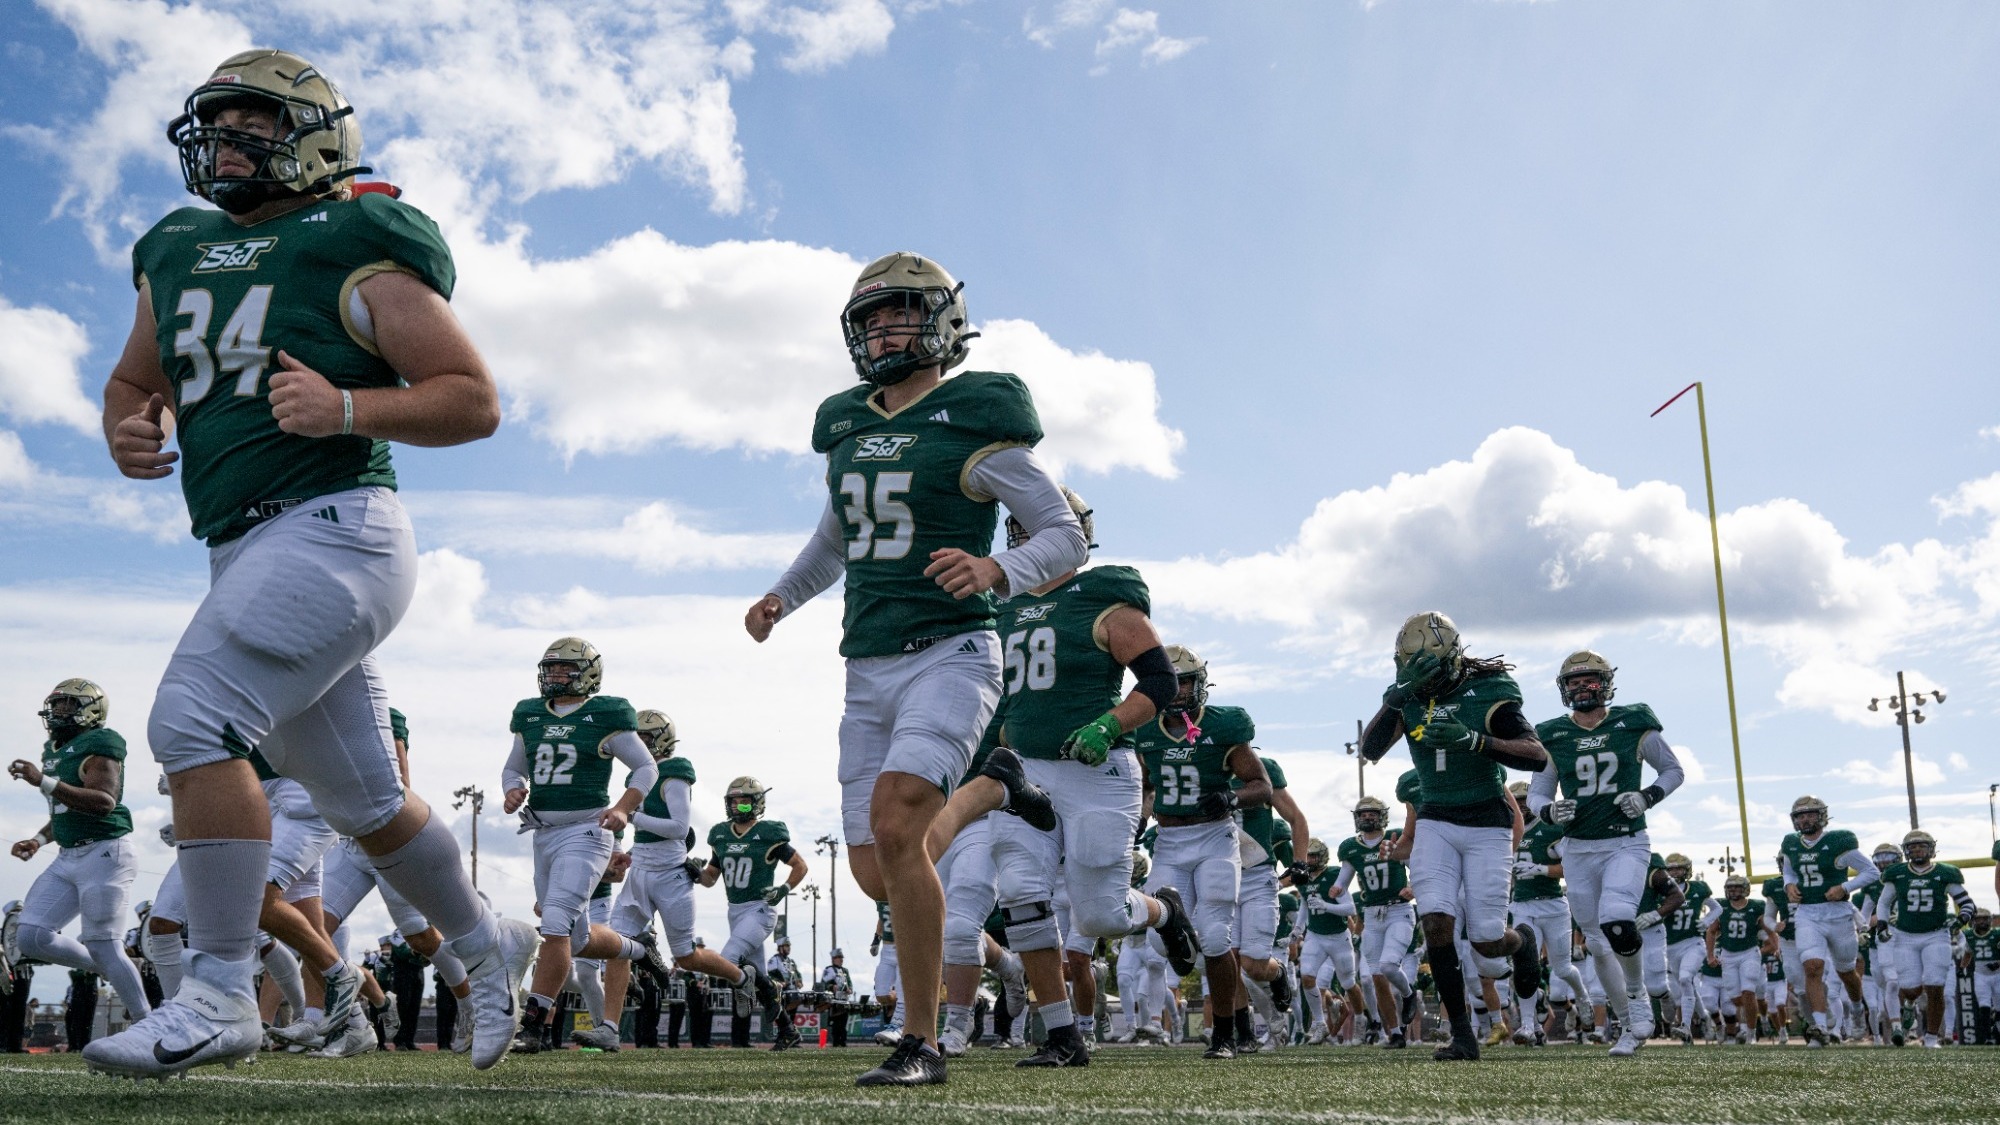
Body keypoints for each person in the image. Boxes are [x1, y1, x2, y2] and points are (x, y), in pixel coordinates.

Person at [83, 48, 516, 1079]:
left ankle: (221, 992)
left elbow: (471, 396)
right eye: (215, 126)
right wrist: (126, 427)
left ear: (315, 135)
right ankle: (484, 955)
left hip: (338, 526)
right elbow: (130, 382)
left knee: (191, 718)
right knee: (369, 803)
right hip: (244, 546)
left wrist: (350, 406)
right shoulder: (178, 244)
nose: (226, 145)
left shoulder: (354, 237)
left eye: (252, 125)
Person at [746, 252, 1087, 1085]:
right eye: (867, 319)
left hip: (954, 649)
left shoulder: (975, 417)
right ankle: (990, 786)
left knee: (899, 824)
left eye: (895, 313)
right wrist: (784, 596)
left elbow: (1063, 534)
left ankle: (922, 1041)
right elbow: (836, 542)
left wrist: (996, 570)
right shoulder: (848, 426)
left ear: (939, 320)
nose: (879, 331)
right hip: (866, 663)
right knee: (877, 869)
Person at [935, 489, 1199, 1067]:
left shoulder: (1103, 595)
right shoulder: (1001, 605)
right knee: (1023, 897)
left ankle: (1163, 910)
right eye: (1023, 527)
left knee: (1098, 914)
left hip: (1097, 772)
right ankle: (1062, 1034)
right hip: (1027, 773)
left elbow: (1158, 682)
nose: (1031, 538)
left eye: (1042, 526)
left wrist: (1109, 723)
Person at [1359, 612, 1547, 1062]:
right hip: (1437, 819)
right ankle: (1462, 1035)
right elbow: (1369, 751)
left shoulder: (1489, 691)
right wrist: (1397, 696)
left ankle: (1521, 941)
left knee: (1486, 940)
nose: (1423, 681)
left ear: (1453, 659)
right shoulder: (1408, 697)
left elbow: (1536, 756)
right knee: (1437, 923)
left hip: (1486, 821)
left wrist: (1474, 741)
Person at [501, 638, 662, 1054]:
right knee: (575, 937)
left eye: (563, 669)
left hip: (587, 831)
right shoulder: (530, 714)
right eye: (550, 669)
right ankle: (637, 949)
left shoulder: (605, 713)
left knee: (553, 924)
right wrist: (513, 789)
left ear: (587, 672)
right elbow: (513, 768)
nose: (553, 676)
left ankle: (534, 1024)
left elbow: (645, 766)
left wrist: (625, 808)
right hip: (543, 834)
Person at [1528, 650, 1684, 1057]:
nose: (1582, 688)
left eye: (1589, 680)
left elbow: (1673, 770)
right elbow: (1538, 793)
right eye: (1574, 683)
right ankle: (1629, 1026)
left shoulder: (1632, 722)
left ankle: (1637, 996)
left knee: (1617, 919)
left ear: (1606, 683)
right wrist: (1548, 810)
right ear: (1564, 690)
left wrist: (1648, 795)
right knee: (1597, 944)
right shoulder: (1553, 734)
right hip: (1578, 847)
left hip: (1625, 841)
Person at [1132, 646, 1270, 1060]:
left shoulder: (1224, 726)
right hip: (1170, 842)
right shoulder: (1143, 729)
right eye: (1170, 682)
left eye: (1185, 681)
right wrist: (1135, 824)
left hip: (1214, 839)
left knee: (1215, 935)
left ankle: (1225, 1035)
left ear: (1199, 684)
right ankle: (1235, 1020)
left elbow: (1261, 787)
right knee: (1159, 944)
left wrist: (1230, 798)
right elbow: (1145, 787)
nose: (1177, 691)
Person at [601, 711, 756, 1044]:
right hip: (641, 871)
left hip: (671, 875)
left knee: (685, 956)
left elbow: (678, 827)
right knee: (617, 946)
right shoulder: (639, 776)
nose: (634, 746)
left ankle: (741, 977)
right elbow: (645, 827)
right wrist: (631, 850)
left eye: (641, 738)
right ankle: (609, 1030)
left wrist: (633, 816)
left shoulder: (673, 773)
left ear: (660, 739)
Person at [6, 680, 153, 1030]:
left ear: (91, 710)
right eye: (56, 706)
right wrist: (38, 841)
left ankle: (150, 1026)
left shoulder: (101, 743)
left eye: (67, 706)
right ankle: (114, 965)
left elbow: (103, 802)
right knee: (32, 936)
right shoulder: (55, 748)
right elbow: (64, 808)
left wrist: (42, 780)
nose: (57, 713)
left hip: (106, 852)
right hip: (69, 856)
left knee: (104, 943)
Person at [697, 777, 807, 1048]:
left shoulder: (768, 833)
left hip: (760, 910)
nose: (737, 807)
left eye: (744, 803)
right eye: (734, 801)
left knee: (728, 960)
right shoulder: (720, 835)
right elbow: (711, 878)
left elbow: (800, 865)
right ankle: (788, 1031)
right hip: (734, 912)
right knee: (756, 976)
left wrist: (784, 887)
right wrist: (695, 873)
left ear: (757, 804)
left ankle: (769, 989)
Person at [1779, 795, 1880, 1045]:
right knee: (1812, 967)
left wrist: (1845, 887)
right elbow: (1789, 868)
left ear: (1822, 816)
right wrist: (1788, 884)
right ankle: (1821, 1027)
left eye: (1810, 814)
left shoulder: (1838, 842)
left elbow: (1872, 872)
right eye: (1800, 815)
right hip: (1808, 913)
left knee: (1846, 971)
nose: (1804, 819)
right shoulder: (1791, 843)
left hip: (1838, 913)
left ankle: (1856, 1010)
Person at [1873, 830, 1974, 1049]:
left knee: (1935, 986)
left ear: (1931, 849)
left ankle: (1930, 1038)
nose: (1917, 850)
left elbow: (1967, 903)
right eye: (1913, 847)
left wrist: (1961, 920)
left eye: (1922, 846)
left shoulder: (1945, 873)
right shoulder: (1897, 873)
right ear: (1906, 851)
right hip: (1905, 937)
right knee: (1910, 988)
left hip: (1935, 935)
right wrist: (1881, 924)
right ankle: (1909, 1003)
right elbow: (1883, 903)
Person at [1704, 873, 1775, 1044]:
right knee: (1737, 998)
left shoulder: (1757, 906)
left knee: (1748, 992)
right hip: (1728, 954)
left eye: (1736, 886)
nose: (1733, 890)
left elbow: (1769, 929)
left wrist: (1776, 947)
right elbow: (1711, 931)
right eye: (1730, 887)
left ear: (1745, 889)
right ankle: (1746, 1023)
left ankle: (1750, 1033)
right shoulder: (1721, 906)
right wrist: (1711, 955)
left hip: (1749, 952)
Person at [820, 947, 854, 1047]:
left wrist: (849, 989)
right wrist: (832, 987)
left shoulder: (845, 971)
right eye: (839, 957)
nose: (841, 959)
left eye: (841, 957)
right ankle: (835, 1042)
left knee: (843, 1023)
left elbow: (850, 983)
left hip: (844, 999)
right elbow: (824, 984)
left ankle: (843, 1042)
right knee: (835, 1024)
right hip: (834, 1001)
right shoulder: (829, 970)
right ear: (834, 959)